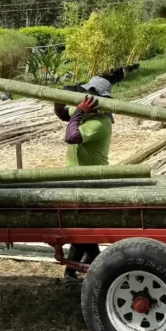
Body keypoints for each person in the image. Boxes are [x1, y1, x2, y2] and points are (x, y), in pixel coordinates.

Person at [53, 76, 114, 279]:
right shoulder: (87, 115)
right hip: (76, 179)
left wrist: (79, 111)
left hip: (90, 182)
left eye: (91, 94)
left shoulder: (100, 122)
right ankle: (72, 272)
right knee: (81, 226)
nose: (86, 96)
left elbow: (70, 137)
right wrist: (58, 98)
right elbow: (64, 114)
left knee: (81, 229)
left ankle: (97, 268)